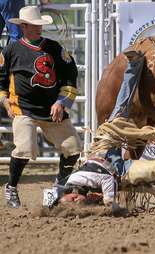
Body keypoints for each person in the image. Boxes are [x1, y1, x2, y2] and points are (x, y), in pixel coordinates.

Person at [0, 6, 82, 208]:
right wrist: (5, 101)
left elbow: (71, 79)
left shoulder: (56, 49)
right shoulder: (11, 50)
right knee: (25, 148)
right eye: (34, 25)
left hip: (52, 109)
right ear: (24, 26)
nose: (38, 28)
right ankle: (11, 187)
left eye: (40, 25)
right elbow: (1, 81)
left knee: (73, 148)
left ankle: (59, 187)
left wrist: (61, 102)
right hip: (23, 108)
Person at [60, 121, 155, 206]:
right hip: (118, 174)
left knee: (113, 124)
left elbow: (106, 180)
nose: (75, 201)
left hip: (113, 168)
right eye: (75, 203)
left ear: (65, 196)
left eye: (72, 199)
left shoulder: (76, 182)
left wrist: (108, 201)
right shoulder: (80, 195)